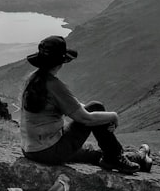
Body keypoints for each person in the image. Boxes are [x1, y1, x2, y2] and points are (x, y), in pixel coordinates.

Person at [19, 35, 150, 174]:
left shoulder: (33, 79)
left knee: (93, 154)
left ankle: (139, 158)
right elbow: (85, 118)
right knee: (96, 107)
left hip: (31, 150)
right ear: (61, 62)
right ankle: (115, 157)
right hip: (50, 152)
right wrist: (113, 116)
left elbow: (70, 105)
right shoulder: (54, 85)